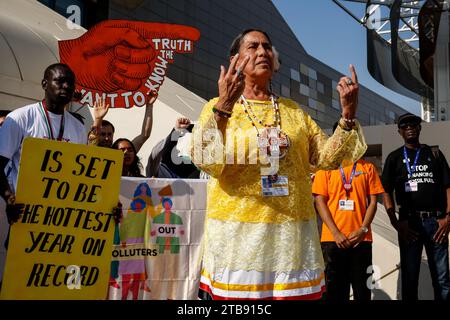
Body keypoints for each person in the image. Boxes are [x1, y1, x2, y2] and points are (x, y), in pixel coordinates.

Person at [191, 29, 367, 300]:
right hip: (239, 243)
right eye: (253, 47)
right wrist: (225, 105)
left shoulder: (293, 111)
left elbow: (327, 159)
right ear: (235, 60)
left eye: (267, 47)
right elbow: (206, 161)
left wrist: (347, 116)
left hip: (291, 243)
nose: (262, 52)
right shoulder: (217, 107)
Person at [0, 63, 87, 224]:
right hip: (24, 213)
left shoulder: (79, 128)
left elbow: (82, 177)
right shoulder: (20, 119)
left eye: (70, 83)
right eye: (60, 81)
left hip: (61, 216)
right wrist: (9, 199)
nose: (66, 86)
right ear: (44, 84)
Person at [312, 122, 384, 300]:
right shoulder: (326, 167)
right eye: (344, 134)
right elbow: (319, 200)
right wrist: (335, 232)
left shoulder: (366, 167)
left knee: (362, 291)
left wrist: (363, 229)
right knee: (334, 292)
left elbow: (373, 202)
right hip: (332, 240)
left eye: (353, 134)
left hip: (361, 240)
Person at [381, 112, 450, 301]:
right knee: (410, 279)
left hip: (437, 223)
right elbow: (385, 190)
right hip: (409, 225)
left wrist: (448, 217)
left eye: (413, 124)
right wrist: (396, 222)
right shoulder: (394, 158)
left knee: (442, 279)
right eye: (405, 126)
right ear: (399, 132)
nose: (409, 127)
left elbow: (448, 186)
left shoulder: (434, 153)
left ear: (420, 128)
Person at [89, 90, 157, 151]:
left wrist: (149, 106)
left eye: (109, 134)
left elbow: (144, 136)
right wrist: (98, 119)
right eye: (103, 134)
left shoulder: (120, 154)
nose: (107, 138)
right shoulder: (89, 151)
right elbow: (93, 138)